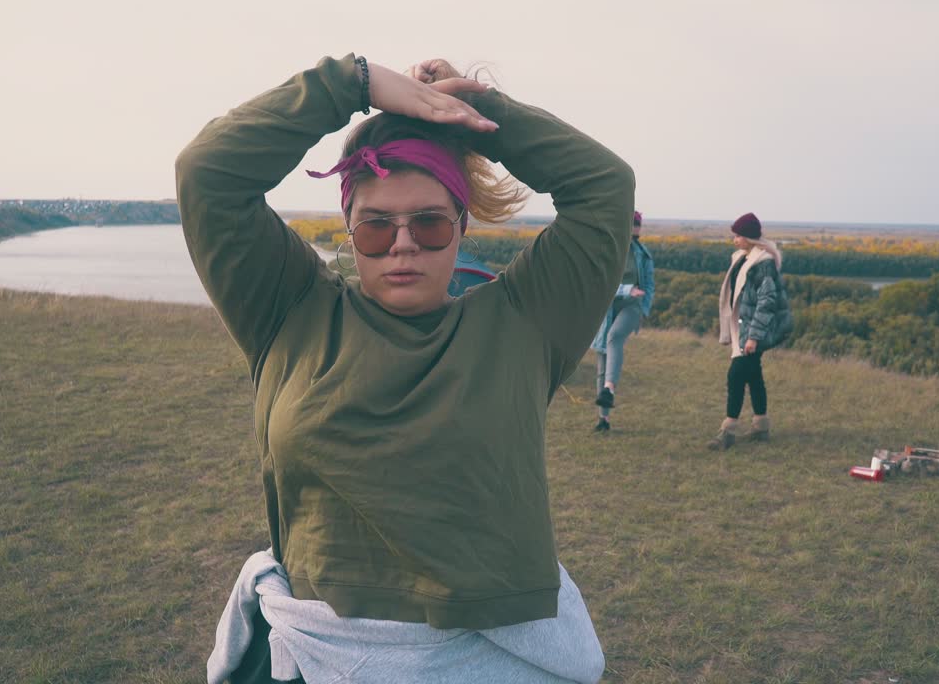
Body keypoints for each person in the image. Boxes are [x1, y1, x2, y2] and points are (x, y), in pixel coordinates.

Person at [176, 54, 634, 683]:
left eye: (429, 223)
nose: (403, 245)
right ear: (348, 228)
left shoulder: (524, 325)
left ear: (461, 225)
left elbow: (605, 186)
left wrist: (471, 111)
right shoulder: (291, 311)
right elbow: (207, 174)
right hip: (315, 657)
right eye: (375, 228)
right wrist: (353, 83)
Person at [707, 212, 791, 450]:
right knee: (753, 375)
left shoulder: (762, 264)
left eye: (738, 235)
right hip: (742, 327)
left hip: (754, 329)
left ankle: (728, 431)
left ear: (750, 237)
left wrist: (754, 336)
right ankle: (761, 427)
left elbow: (766, 302)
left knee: (736, 375)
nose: (734, 240)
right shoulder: (742, 259)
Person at [589, 210, 655, 432]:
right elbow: (602, 284)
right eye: (633, 223)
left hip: (631, 307)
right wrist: (627, 289)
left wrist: (644, 308)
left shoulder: (642, 253)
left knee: (614, 336)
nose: (636, 227)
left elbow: (649, 284)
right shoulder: (609, 250)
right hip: (607, 308)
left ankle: (609, 388)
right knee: (602, 360)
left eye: (638, 223)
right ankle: (603, 419)